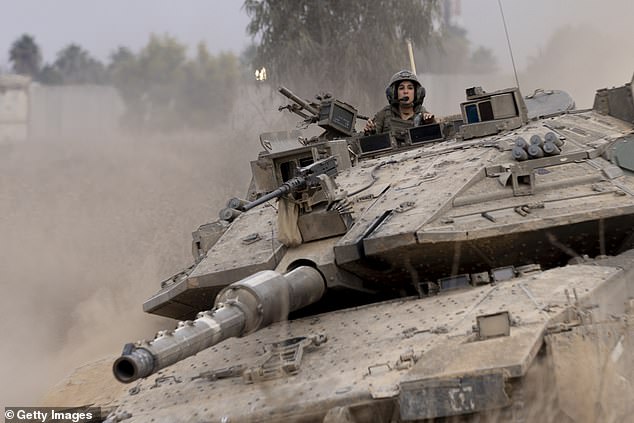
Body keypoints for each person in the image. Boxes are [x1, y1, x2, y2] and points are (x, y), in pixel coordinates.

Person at [364, 70, 434, 142]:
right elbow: (370, 141)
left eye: (410, 88)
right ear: (394, 93)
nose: (405, 91)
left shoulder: (423, 116)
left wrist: (430, 123)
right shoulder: (384, 114)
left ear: (417, 93)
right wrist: (370, 131)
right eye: (401, 88)